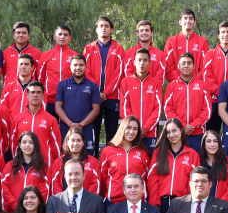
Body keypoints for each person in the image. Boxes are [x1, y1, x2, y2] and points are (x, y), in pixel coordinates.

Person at [84, 17, 125, 145]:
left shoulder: (118, 49)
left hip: (112, 97)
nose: (104, 28)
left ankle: (110, 162)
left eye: (106, 26)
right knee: (93, 131)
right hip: (92, 96)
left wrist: (106, 92)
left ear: (111, 29)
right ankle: (93, 162)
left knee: (112, 132)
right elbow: (85, 71)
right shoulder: (89, 48)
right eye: (101, 26)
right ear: (96, 29)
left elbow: (119, 73)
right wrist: (97, 92)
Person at [148, 119, 200, 213]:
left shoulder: (192, 154)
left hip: (182, 203)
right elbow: (152, 179)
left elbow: (194, 181)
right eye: (168, 132)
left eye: (174, 130)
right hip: (161, 203)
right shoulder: (158, 153)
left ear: (181, 130)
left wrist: (189, 202)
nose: (171, 135)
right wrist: (154, 202)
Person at [163, 53, 212, 154]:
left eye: (189, 63)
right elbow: (168, 110)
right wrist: (183, 126)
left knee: (198, 165)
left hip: (198, 134)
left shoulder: (203, 85)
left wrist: (193, 126)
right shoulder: (171, 86)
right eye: (183, 63)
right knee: (179, 163)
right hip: (178, 133)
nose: (186, 66)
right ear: (178, 66)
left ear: (194, 66)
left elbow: (207, 111)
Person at [55, 54, 101, 156]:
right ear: (70, 67)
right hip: (66, 128)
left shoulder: (93, 86)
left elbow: (96, 109)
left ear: (85, 67)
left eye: (81, 65)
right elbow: (58, 107)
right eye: (75, 65)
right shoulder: (62, 85)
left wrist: (81, 125)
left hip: (86, 129)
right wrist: (71, 124)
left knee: (87, 157)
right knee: (65, 156)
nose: (78, 68)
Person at [100, 116, 151, 206]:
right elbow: (103, 178)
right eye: (128, 127)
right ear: (122, 128)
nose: (131, 132)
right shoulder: (107, 151)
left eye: (135, 129)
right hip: (113, 203)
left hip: (138, 203)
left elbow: (147, 179)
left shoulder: (143, 152)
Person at [119, 48, 163, 152]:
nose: (142, 63)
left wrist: (145, 129)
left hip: (150, 132)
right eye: (139, 60)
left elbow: (158, 109)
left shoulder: (156, 83)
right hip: (131, 132)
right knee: (133, 162)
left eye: (145, 60)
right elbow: (124, 107)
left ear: (149, 63)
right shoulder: (126, 82)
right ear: (134, 62)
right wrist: (134, 128)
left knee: (150, 162)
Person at [9, 81, 60, 166]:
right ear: (27, 95)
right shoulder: (17, 119)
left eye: (38, 92)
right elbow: (13, 144)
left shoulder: (51, 120)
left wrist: (54, 168)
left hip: (45, 167)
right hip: (23, 166)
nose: (35, 95)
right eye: (32, 92)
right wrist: (18, 162)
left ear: (43, 96)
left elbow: (56, 149)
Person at [1, 132, 50, 213]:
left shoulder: (44, 168)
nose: (27, 145)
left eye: (31, 142)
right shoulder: (10, 166)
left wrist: (31, 207)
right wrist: (16, 206)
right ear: (20, 145)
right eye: (24, 142)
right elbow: (4, 188)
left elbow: (44, 191)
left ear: (36, 145)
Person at [202, 21, 228, 133]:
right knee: (212, 134)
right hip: (214, 100)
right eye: (222, 32)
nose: (225, 35)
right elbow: (207, 76)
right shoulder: (210, 54)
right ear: (218, 35)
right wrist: (221, 94)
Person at [39, 25, 78, 118]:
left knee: (69, 129)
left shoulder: (75, 56)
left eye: (65, 35)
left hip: (69, 99)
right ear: (54, 36)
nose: (62, 37)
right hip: (49, 99)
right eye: (59, 34)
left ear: (69, 38)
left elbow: (80, 77)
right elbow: (40, 78)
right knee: (49, 128)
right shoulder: (45, 56)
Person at [49, 127, 100, 195]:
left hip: (87, 203)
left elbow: (96, 184)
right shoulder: (58, 162)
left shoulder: (93, 162)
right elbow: (55, 184)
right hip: (63, 203)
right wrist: (63, 202)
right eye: (72, 140)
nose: (75, 144)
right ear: (67, 142)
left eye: (79, 140)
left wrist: (86, 202)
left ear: (83, 142)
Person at [164, 9, 209, 82]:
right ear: (180, 22)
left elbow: (205, 65)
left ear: (194, 22)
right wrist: (178, 80)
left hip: (196, 85)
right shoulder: (171, 41)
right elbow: (168, 65)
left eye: (190, 19)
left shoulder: (203, 41)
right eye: (185, 18)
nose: (188, 21)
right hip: (177, 84)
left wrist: (196, 81)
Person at [0, 54, 36, 123]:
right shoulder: (8, 87)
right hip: (11, 125)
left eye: (26, 64)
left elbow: (41, 109)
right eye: (21, 64)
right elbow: (3, 109)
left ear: (32, 67)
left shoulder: (38, 89)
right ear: (17, 66)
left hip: (30, 126)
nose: (23, 67)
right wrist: (11, 122)